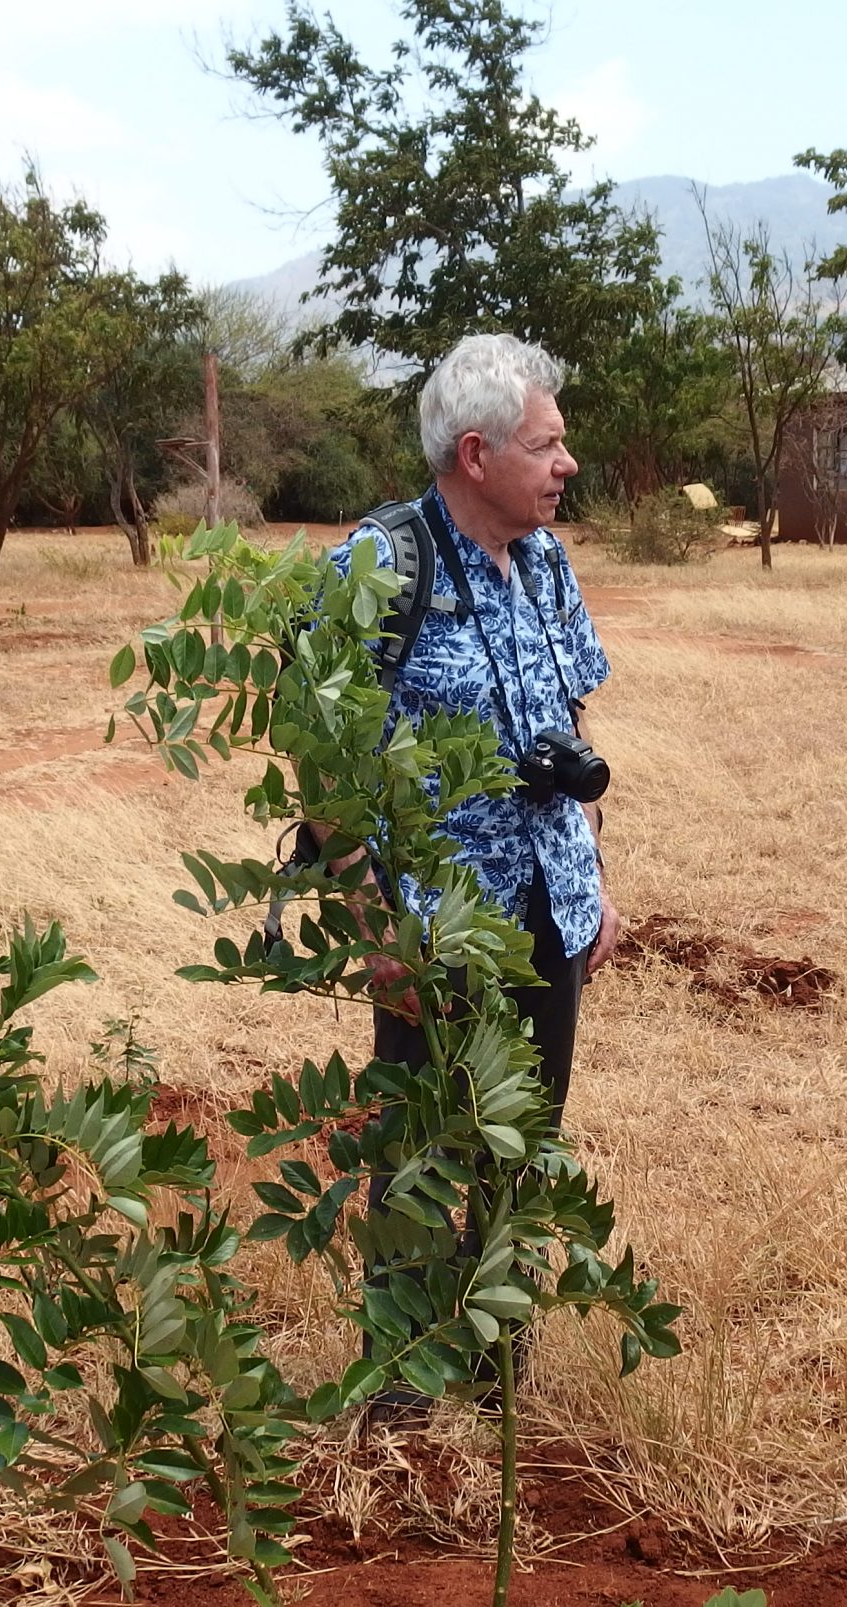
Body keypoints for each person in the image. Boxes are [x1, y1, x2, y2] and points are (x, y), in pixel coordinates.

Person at [335, 331, 621, 1126]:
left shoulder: (547, 562)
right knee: (418, 1176)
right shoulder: (379, 567)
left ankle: (513, 1258)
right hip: (433, 933)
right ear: (475, 454)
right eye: (546, 445)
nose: (567, 463)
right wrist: (376, 930)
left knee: (525, 1158)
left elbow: (574, 727)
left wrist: (592, 879)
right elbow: (327, 768)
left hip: (552, 914)